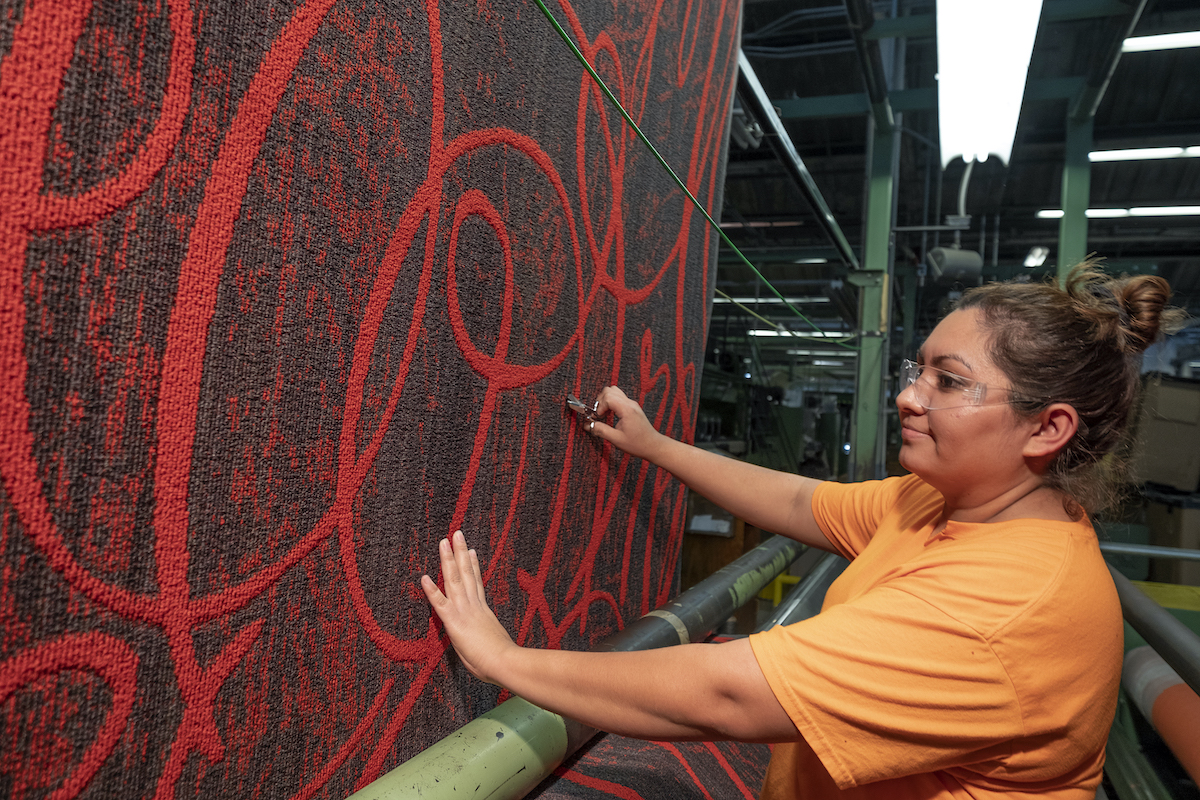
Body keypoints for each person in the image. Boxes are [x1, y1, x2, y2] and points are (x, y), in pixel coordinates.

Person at [421, 265, 1181, 799]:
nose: (909, 397)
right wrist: (655, 446)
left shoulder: (1005, 607)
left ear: (1047, 428)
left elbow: (725, 696)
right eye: (918, 371)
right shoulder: (949, 501)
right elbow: (798, 503)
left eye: (947, 381)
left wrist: (505, 659)